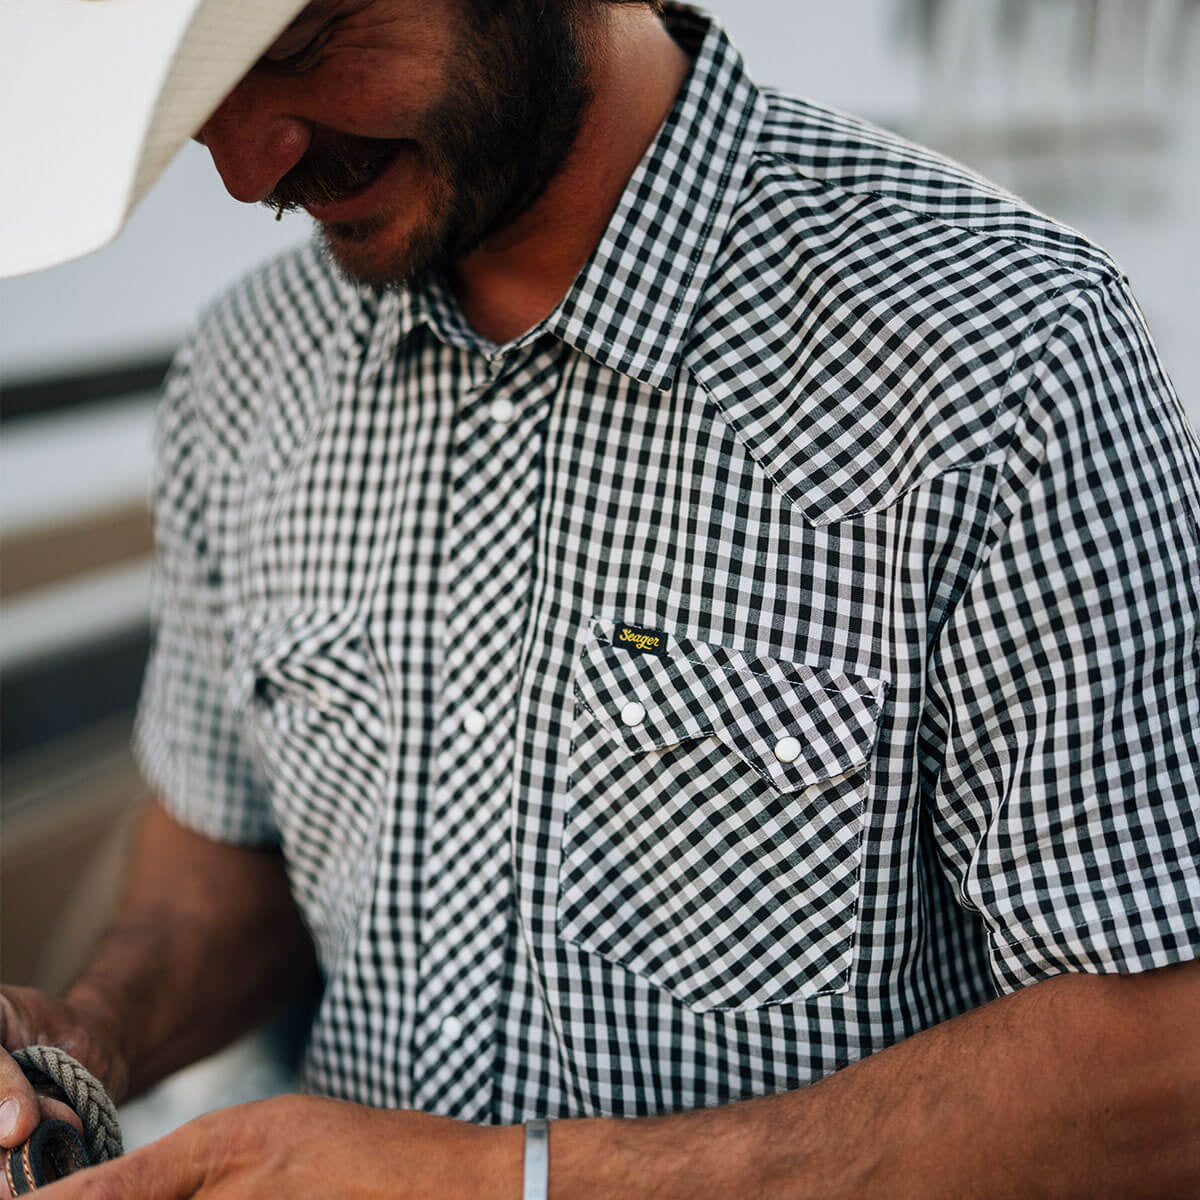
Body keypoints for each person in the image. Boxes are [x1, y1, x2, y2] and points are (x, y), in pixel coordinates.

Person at [2, 0, 1199, 1196]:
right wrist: (86, 1034)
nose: (251, 166)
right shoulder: (245, 370)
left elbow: (1163, 1063)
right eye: (197, 104)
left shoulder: (1004, 355)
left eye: (299, 47)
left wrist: (504, 1183)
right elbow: (232, 856)